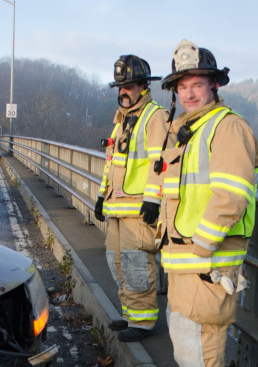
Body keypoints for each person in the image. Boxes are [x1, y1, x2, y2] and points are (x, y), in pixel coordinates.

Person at [153, 39, 258, 367]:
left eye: (197, 84)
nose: (189, 93)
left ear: (214, 86)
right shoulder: (190, 129)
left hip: (207, 254)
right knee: (186, 326)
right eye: (182, 87)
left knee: (201, 330)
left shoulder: (227, 127)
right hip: (187, 253)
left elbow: (232, 195)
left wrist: (202, 243)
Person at [94, 55, 169, 342]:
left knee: (136, 264)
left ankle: (144, 321)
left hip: (138, 210)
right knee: (116, 262)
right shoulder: (122, 122)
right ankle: (130, 315)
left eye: (128, 86)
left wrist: (154, 199)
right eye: (120, 87)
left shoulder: (155, 117)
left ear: (142, 87)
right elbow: (111, 163)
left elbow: (161, 163)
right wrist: (102, 196)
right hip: (117, 207)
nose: (123, 92)